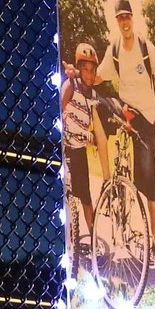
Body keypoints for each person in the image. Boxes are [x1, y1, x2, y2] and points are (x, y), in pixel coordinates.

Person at [96, 0, 155, 253]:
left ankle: (154, 240)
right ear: (116, 21)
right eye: (120, 18)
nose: (124, 21)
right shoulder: (113, 48)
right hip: (125, 114)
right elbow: (100, 74)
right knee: (101, 108)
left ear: (132, 19)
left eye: (127, 16)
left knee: (149, 180)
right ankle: (113, 186)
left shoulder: (145, 46)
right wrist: (80, 76)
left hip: (145, 119)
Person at [60, 43, 106, 265]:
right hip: (65, 146)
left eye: (92, 69)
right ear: (79, 69)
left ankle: (93, 239)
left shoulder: (93, 93)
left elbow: (99, 79)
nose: (90, 74)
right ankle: (68, 240)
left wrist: (92, 136)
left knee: (86, 197)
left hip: (79, 150)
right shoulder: (70, 86)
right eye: (84, 69)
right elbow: (60, 112)